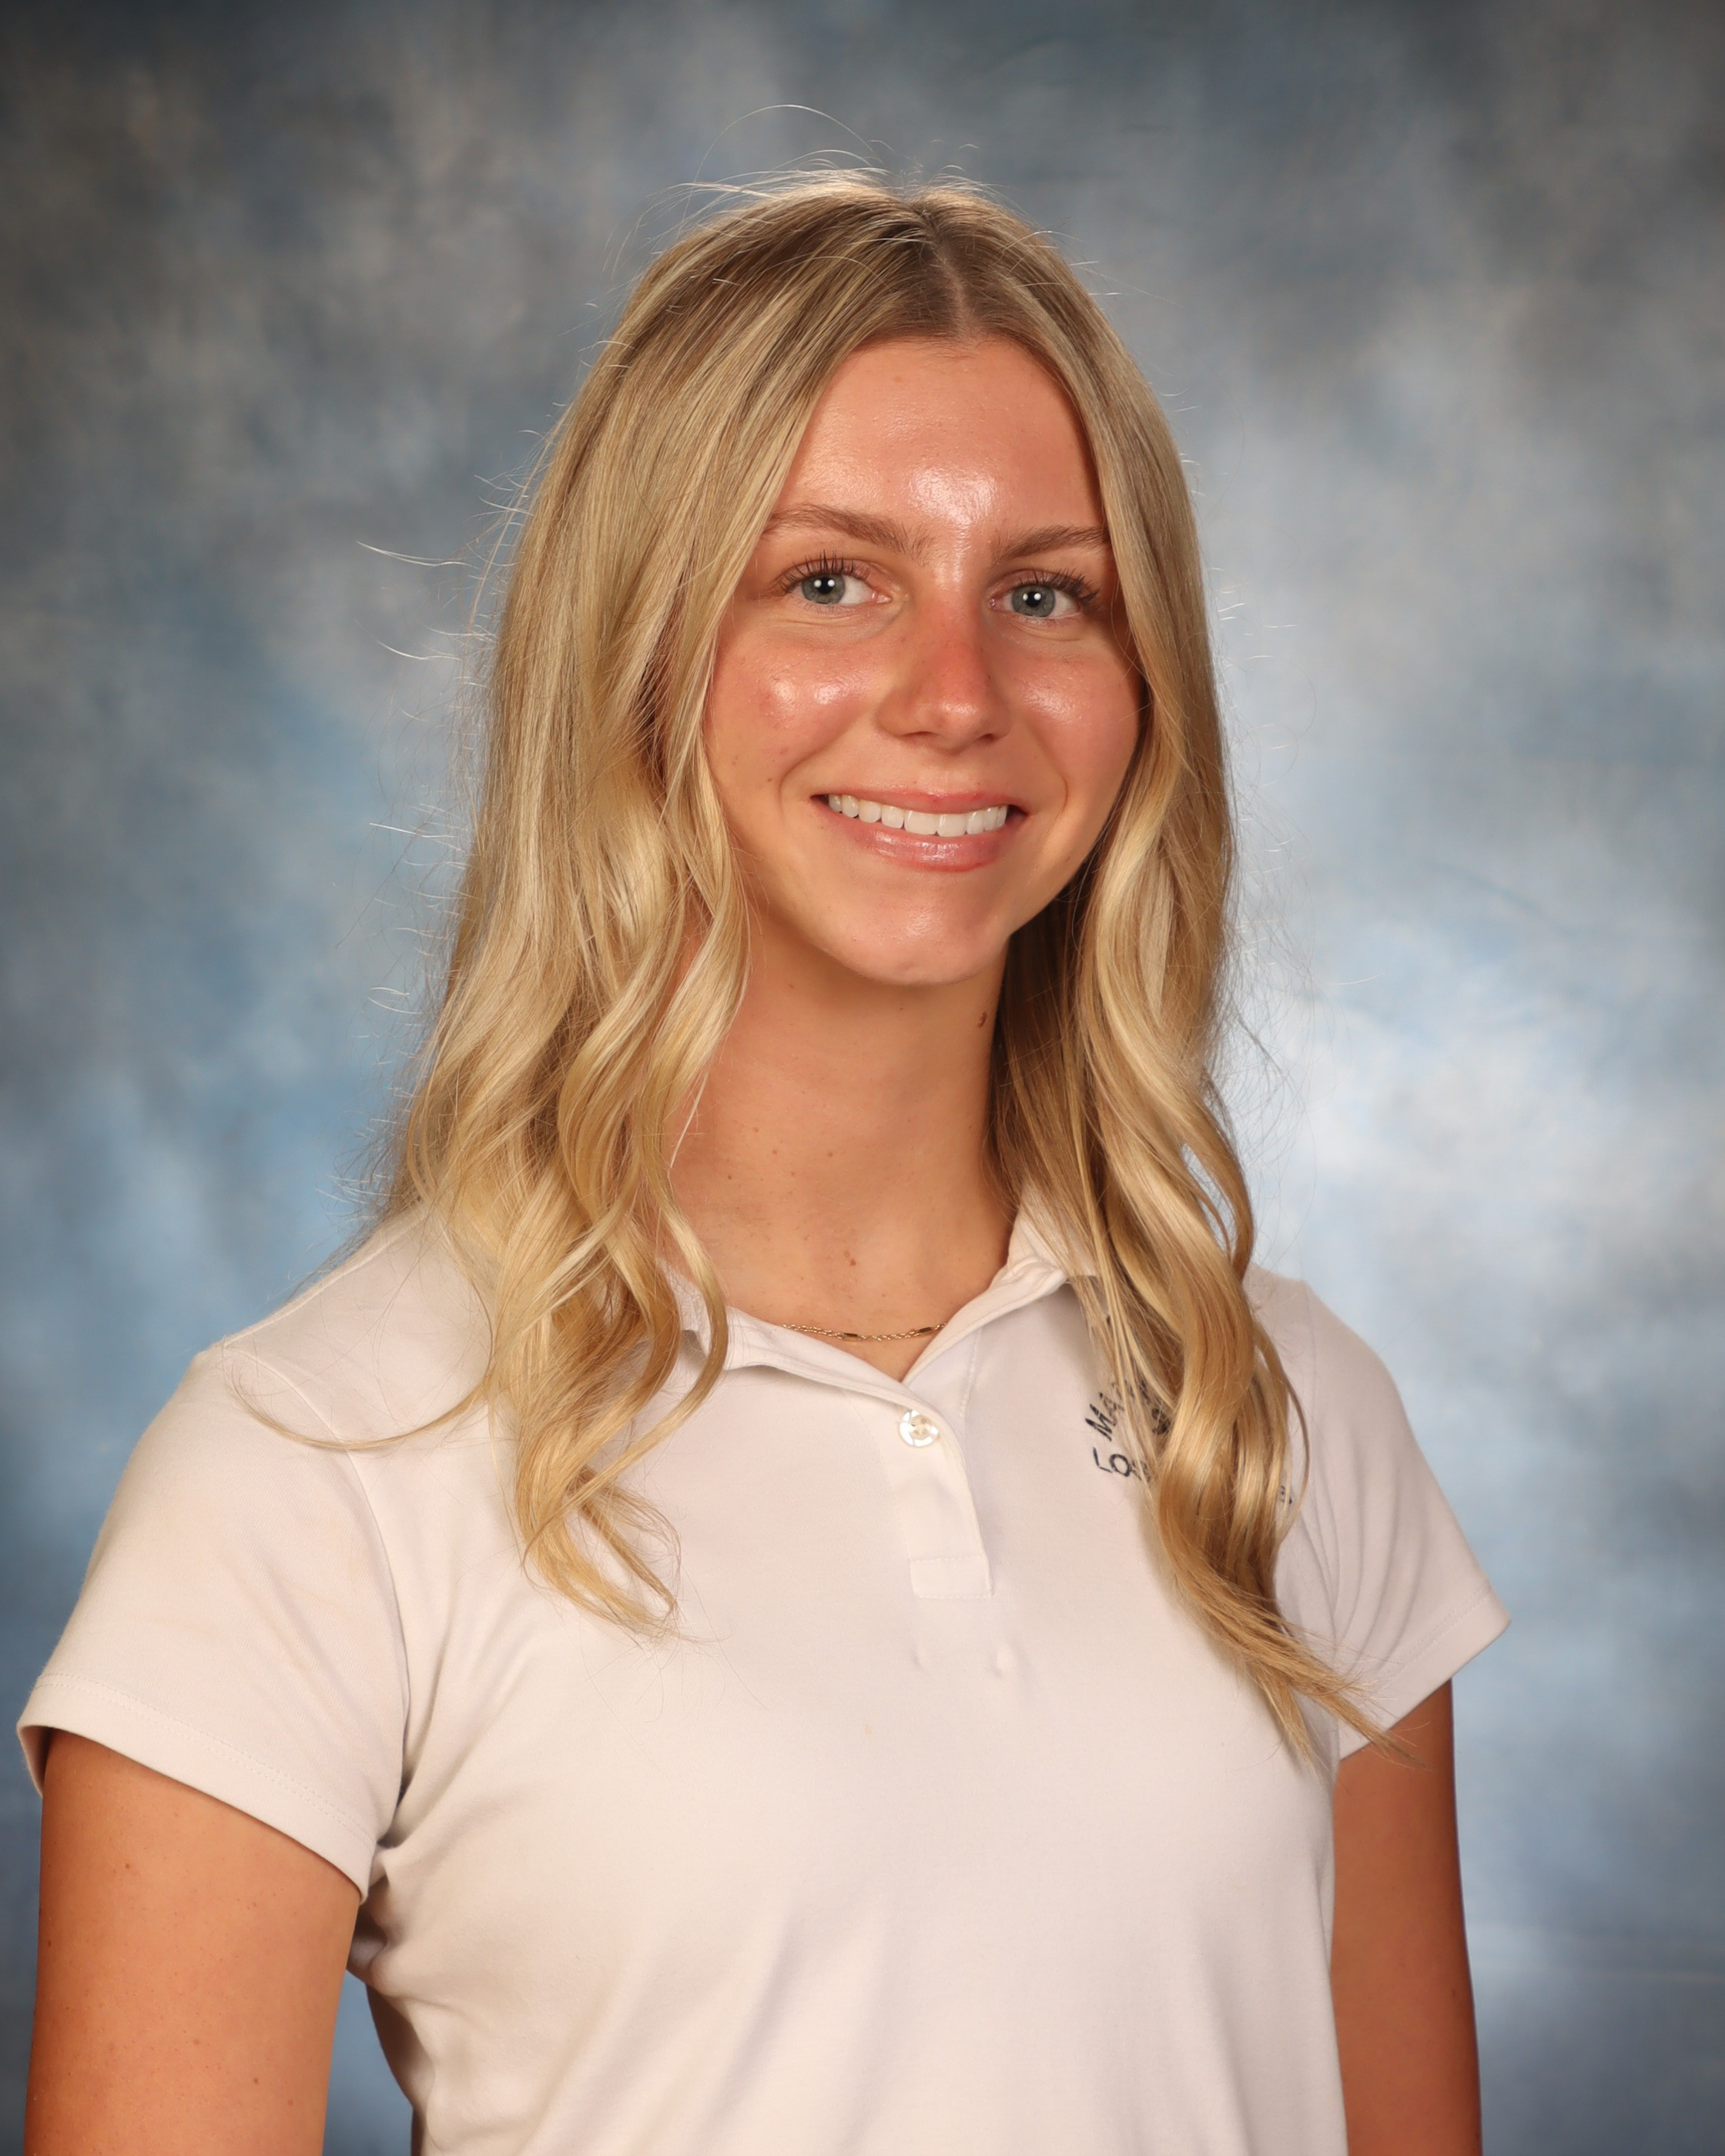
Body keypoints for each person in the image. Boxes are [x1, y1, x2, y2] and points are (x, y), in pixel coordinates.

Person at [21, 178, 1506, 2156]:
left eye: (1046, 593)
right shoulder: (313, 1461)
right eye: (829, 579)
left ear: (1145, 689)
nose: (955, 693)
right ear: (635, 654)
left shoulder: (1285, 1415)